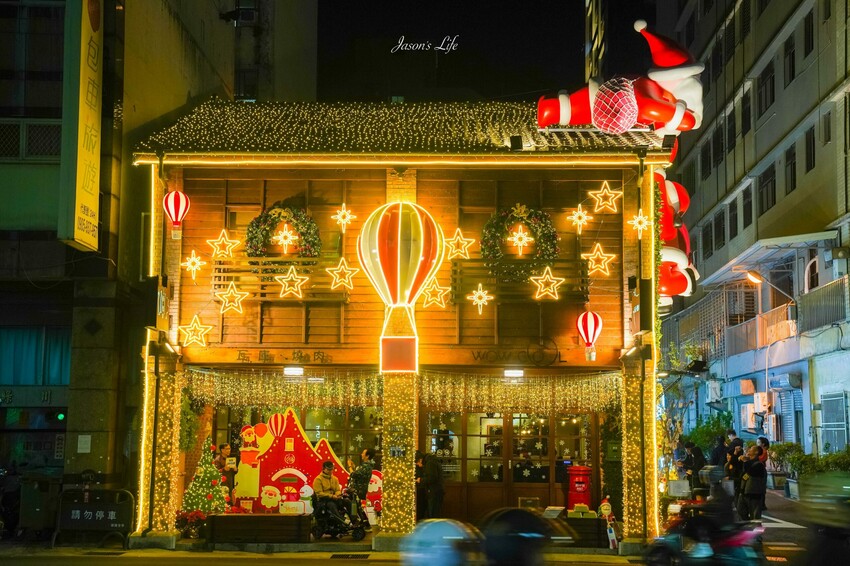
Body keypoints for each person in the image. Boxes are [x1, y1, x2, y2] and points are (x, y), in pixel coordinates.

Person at [348, 448, 375, 529]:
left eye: (363, 453)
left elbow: (354, 474)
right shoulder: (366, 466)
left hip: (358, 490)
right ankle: (365, 524)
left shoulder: (366, 466)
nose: (361, 454)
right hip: (359, 489)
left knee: (357, 508)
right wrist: (354, 467)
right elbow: (360, 474)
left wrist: (349, 466)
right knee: (358, 508)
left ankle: (365, 525)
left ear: (367, 456)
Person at [738, 446, 767, 520]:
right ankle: (748, 525)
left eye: (751, 449)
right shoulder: (749, 462)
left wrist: (745, 461)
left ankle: (756, 530)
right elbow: (744, 475)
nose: (749, 450)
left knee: (755, 516)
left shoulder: (759, 465)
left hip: (754, 494)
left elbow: (751, 472)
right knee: (741, 511)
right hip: (744, 492)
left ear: (756, 452)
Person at [423, 452, 445, 519]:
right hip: (438, 490)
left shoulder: (430, 463)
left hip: (434, 491)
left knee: (433, 512)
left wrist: (421, 480)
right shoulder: (435, 461)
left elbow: (432, 478)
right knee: (436, 511)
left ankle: (433, 527)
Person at [415, 451, 428, 521]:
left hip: (421, 488)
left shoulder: (425, 465)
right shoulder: (424, 465)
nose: (417, 464)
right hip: (422, 489)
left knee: (421, 507)